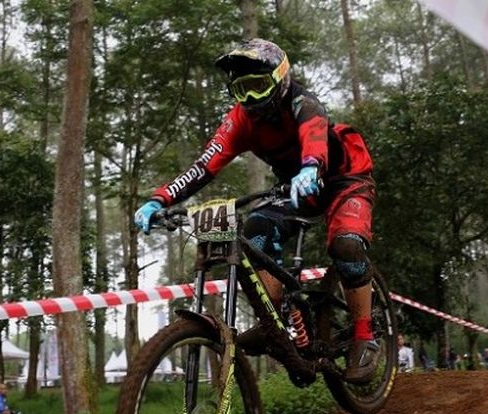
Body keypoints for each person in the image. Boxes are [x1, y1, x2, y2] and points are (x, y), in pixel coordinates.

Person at [134, 38, 379, 382]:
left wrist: (311, 166)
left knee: (346, 245)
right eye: (241, 90)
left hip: (343, 177)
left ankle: (364, 337)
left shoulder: (303, 103)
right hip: (294, 186)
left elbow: (313, 134)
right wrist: (161, 198)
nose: (250, 99)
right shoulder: (240, 120)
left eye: (258, 86)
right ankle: (275, 325)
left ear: (280, 79)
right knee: (256, 229)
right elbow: (205, 165)